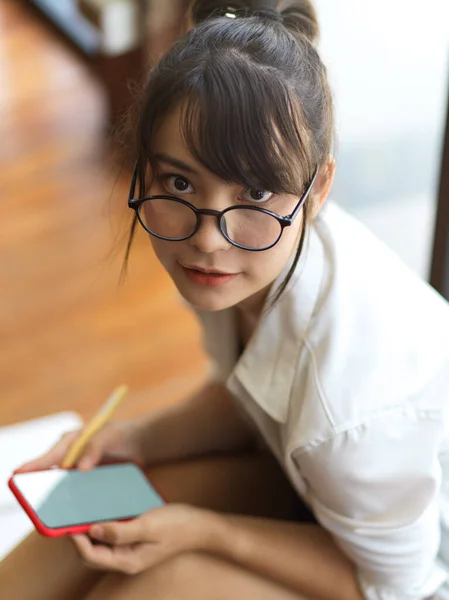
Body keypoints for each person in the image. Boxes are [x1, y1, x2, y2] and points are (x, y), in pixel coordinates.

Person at [2, 1, 449, 598]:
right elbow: (254, 393)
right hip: (312, 491)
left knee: (162, 580)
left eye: (257, 190)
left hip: (405, 574)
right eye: (180, 182)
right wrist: (136, 438)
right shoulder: (245, 261)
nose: (208, 237)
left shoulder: (355, 400)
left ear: (318, 188)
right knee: (82, 523)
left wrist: (206, 534)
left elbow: (392, 584)